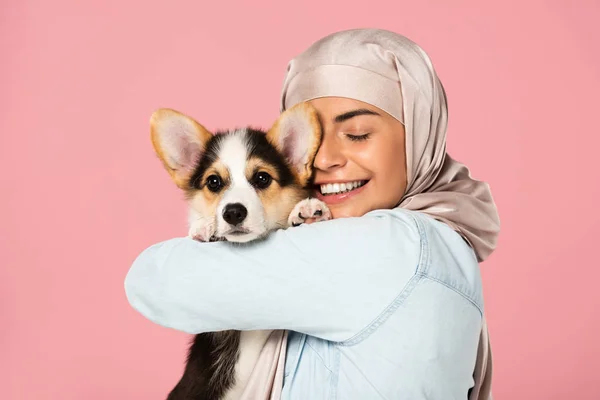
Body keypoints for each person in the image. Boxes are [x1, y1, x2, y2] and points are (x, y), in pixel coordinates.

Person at [125, 28, 500, 399]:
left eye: (356, 133)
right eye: (312, 138)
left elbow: (155, 281)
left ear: (422, 134)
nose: (320, 160)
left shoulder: (388, 246)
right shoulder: (447, 238)